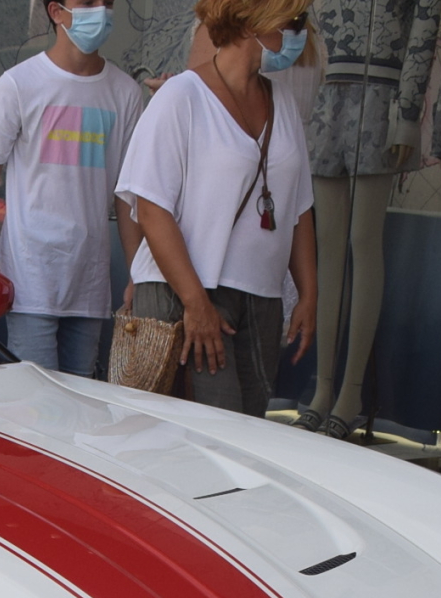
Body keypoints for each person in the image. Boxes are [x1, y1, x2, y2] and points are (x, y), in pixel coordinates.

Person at [115, 0, 318, 417]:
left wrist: (309, 293)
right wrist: (195, 302)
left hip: (261, 296)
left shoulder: (282, 101)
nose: (302, 33)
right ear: (252, 23)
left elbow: (299, 209)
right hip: (189, 290)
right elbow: (152, 208)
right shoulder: (181, 96)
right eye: (292, 21)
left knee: (247, 426)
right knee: (202, 430)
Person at [0, 0, 148, 376]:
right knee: (36, 406)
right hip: (29, 279)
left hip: (90, 281)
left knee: (80, 410)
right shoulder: (18, 84)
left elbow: (127, 196)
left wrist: (137, 274)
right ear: (56, 11)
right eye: (87, 3)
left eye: (107, 3)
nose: (100, 11)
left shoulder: (125, 92)